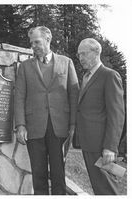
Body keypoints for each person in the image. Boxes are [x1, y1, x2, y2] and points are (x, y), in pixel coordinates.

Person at [14, 26, 79, 195]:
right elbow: (19, 97)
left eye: (36, 42)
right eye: (31, 43)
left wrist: (72, 125)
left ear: (48, 39)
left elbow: (73, 95)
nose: (33, 46)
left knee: (59, 174)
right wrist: (20, 125)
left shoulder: (67, 62)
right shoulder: (25, 67)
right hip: (34, 128)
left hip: (59, 128)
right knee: (38, 174)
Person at [75, 38, 125, 195]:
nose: (80, 58)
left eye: (83, 54)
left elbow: (116, 114)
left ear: (96, 53)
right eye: (78, 55)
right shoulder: (86, 77)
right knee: (98, 188)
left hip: (102, 146)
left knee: (107, 189)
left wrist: (110, 147)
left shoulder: (109, 75)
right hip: (88, 143)